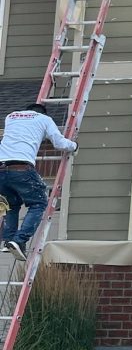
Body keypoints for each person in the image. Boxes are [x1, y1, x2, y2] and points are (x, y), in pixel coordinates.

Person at [0, 103, 76, 261]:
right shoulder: (44, 119)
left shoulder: (11, 117)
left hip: (1, 170)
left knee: (11, 205)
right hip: (21, 168)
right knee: (39, 203)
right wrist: (74, 146)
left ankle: (8, 240)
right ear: (42, 113)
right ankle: (19, 240)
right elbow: (59, 143)